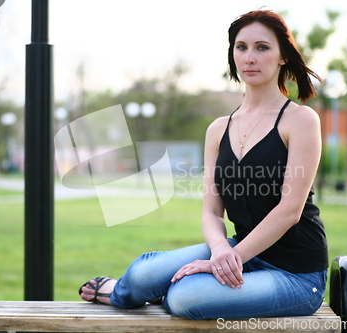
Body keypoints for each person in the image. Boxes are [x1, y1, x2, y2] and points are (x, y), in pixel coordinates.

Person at [79, 9, 328, 320]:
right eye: (241, 47)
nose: (250, 57)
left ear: (282, 57)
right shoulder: (217, 129)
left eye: (262, 47)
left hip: (295, 274)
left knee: (185, 298)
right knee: (144, 274)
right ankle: (122, 292)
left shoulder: (301, 120)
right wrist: (221, 250)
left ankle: (163, 295)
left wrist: (229, 257)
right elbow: (212, 212)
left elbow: (290, 211)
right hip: (239, 252)